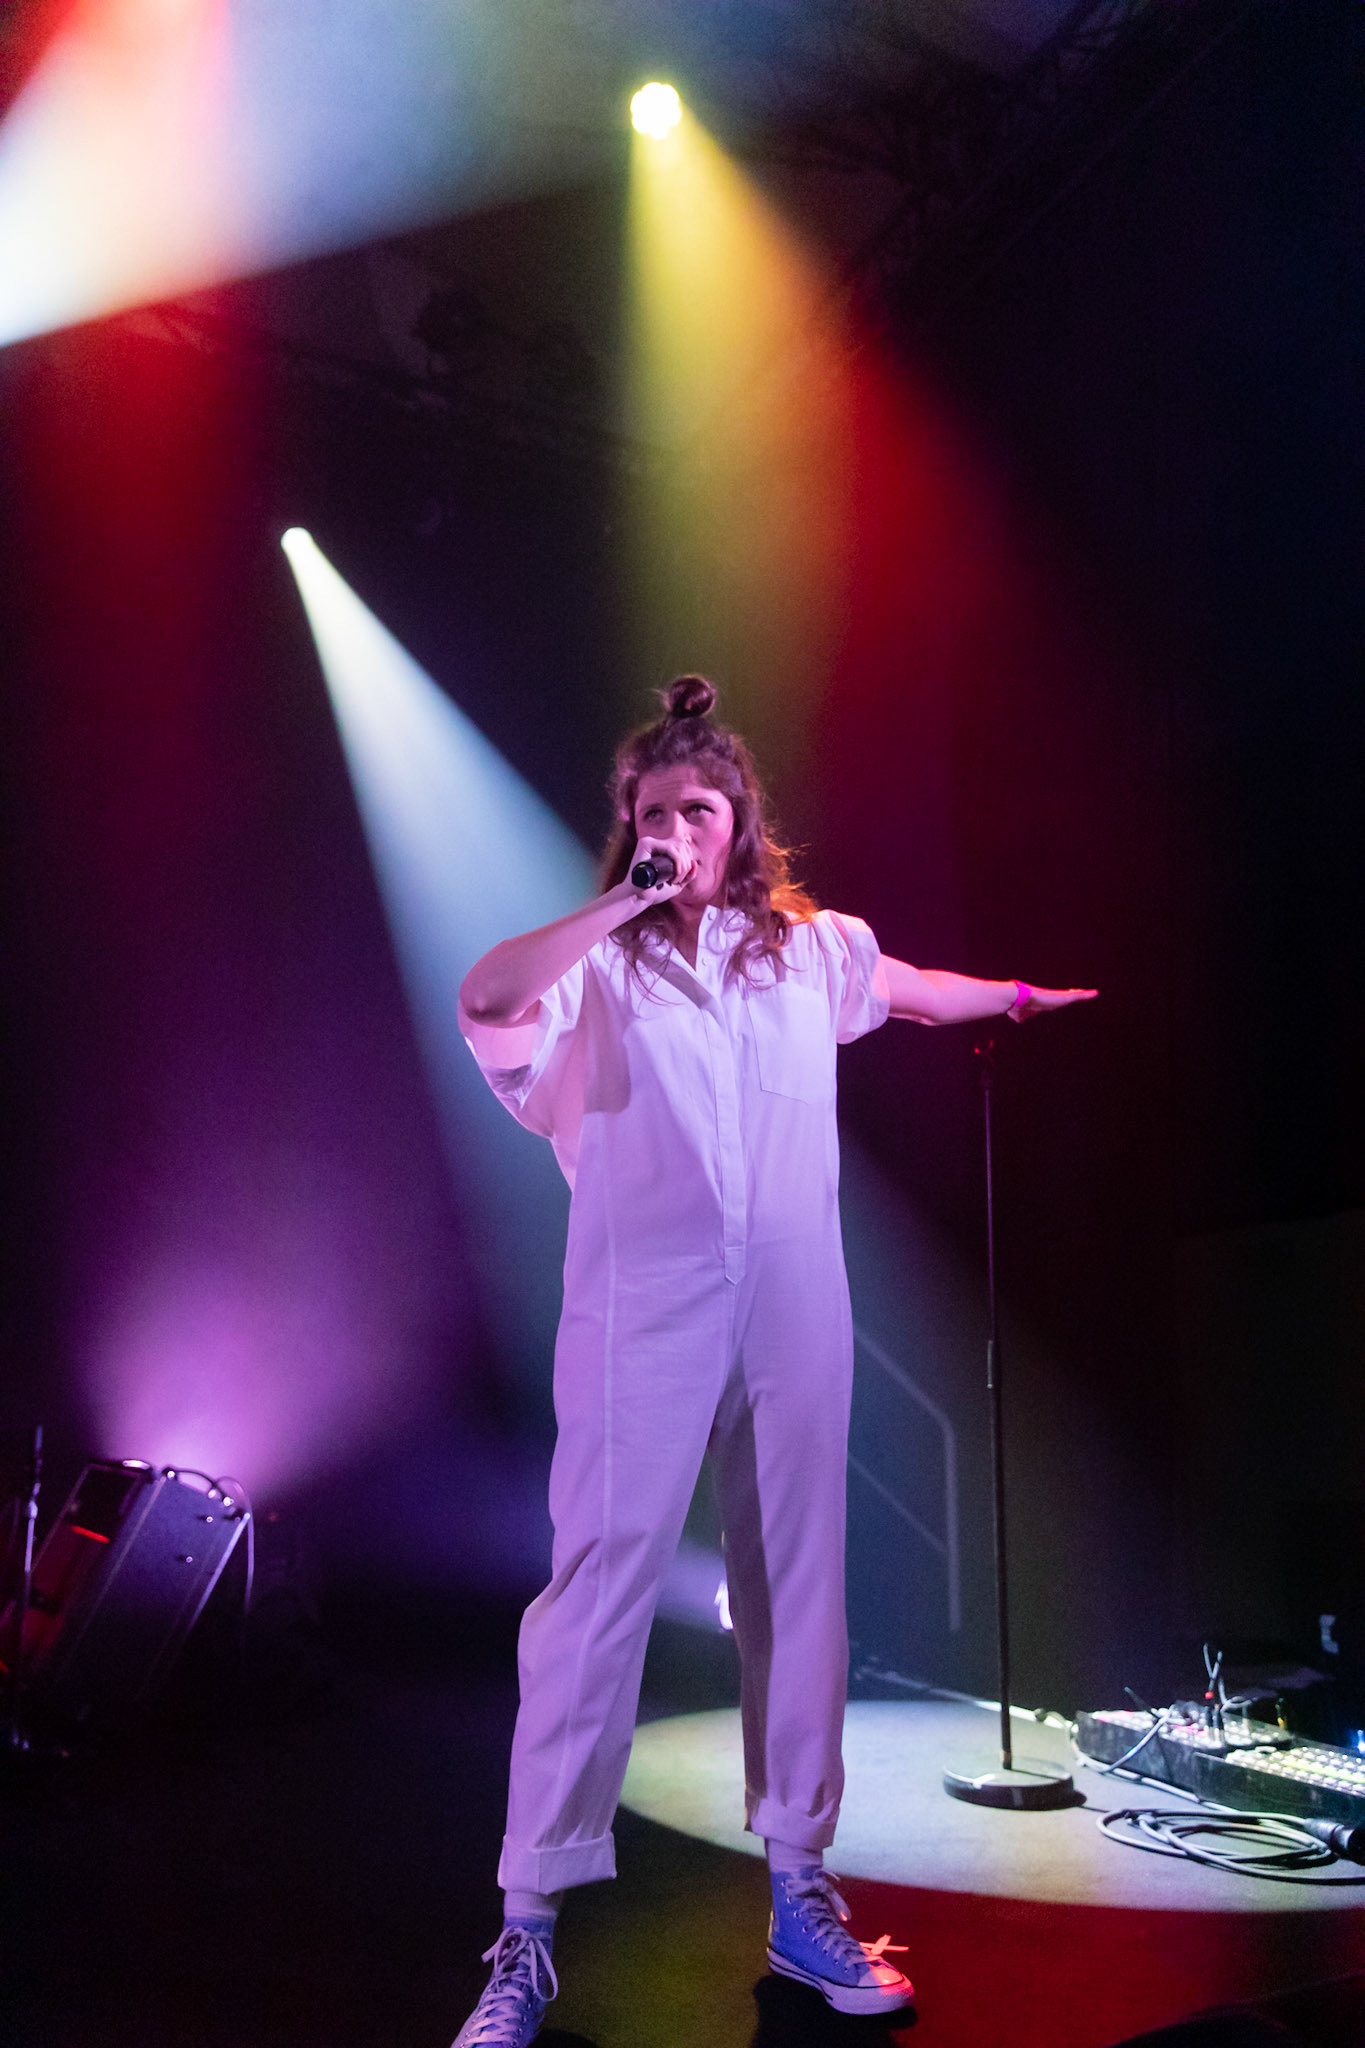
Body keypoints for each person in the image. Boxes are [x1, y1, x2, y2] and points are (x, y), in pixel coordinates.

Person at [453, 676, 1095, 2047]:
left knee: (797, 1590)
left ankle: (800, 1889)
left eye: (700, 808)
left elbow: (916, 990)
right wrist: (627, 899)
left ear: (741, 822)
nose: (678, 828)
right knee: (596, 1591)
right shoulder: (596, 970)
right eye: (652, 812)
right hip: (642, 1310)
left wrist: (1020, 995)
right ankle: (527, 1930)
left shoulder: (812, 953)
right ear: (626, 828)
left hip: (793, 1304)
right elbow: (487, 992)